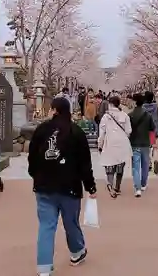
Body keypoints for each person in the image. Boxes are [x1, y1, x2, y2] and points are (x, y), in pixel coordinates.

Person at [28, 97, 96, 276]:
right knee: (70, 222)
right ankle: (77, 253)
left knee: (46, 226)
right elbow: (85, 165)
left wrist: (35, 175)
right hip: (70, 186)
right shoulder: (76, 132)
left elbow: (32, 157)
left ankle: (43, 268)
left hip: (44, 186)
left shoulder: (42, 130)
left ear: (54, 110)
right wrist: (90, 186)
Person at [98, 95, 132, 198]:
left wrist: (100, 143)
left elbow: (102, 132)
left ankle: (110, 183)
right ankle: (117, 186)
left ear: (110, 104)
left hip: (110, 142)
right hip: (122, 142)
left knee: (110, 163)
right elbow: (129, 130)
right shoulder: (125, 115)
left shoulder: (106, 116)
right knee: (120, 164)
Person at [128, 93, 155, 197]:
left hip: (134, 143)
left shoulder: (130, 115)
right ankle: (143, 184)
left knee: (135, 166)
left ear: (135, 102)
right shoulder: (148, 115)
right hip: (145, 143)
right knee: (145, 165)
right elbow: (152, 129)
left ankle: (137, 188)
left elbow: (128, 130)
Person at [143, 91, 158, 175]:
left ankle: (149, 163)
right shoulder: (157, 107)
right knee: (157, 148)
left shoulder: (142, 108)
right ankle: (156, 160)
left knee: (147, 148)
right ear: (153, 98)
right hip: (155, 131)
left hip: (146, 132)